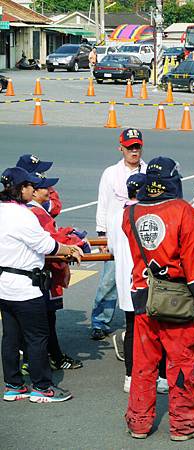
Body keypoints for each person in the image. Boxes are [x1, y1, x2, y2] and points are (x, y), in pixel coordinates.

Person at [122, 157, 194, 441]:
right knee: (180, 363)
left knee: (143, 364)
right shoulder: (182, 210)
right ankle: (184, 426)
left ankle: (139, 423)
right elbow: (192, 258)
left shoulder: (130, 213)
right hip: (176, 298)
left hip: (143, 297)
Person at [0, 167, 82, 403]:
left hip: (4, 283)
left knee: (11, 338)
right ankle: (42, 388)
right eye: (30, 185)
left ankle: (13, 385)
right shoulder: (22, 215)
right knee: (37, 337)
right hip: (25, 285)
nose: (34, 189)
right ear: (21, 189)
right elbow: (46, 245)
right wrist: (69, 249)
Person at [109, 173, 168, 394]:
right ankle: (160, 376)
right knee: (157, 328)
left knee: (132, 328)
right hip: (147, 278)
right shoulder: (150, 213)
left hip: (126, 280)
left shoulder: (116, 216)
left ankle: (130, 376)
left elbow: (112, 248)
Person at [91, 128, 147, 341]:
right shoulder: (111, 173)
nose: (134, 151)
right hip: (117, 236)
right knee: (109, 280)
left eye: (137, 147)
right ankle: (100, 321)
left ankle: (140, 322)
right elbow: (103, 203)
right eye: (130, 147)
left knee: (141, 280)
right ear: (121, 148)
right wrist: (102, 234)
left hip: (142, 237)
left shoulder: (149, 170)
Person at [27, 175, 85, 371]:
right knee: (46, 321)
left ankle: (32, 359)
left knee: (27, 325)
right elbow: (52, 240)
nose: (50, 191)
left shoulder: (28, 210)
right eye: (46, 188)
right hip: (43, 274)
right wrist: (73, 240)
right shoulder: (38, 213)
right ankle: (53, 359)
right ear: (33, 191)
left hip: (30, 274)